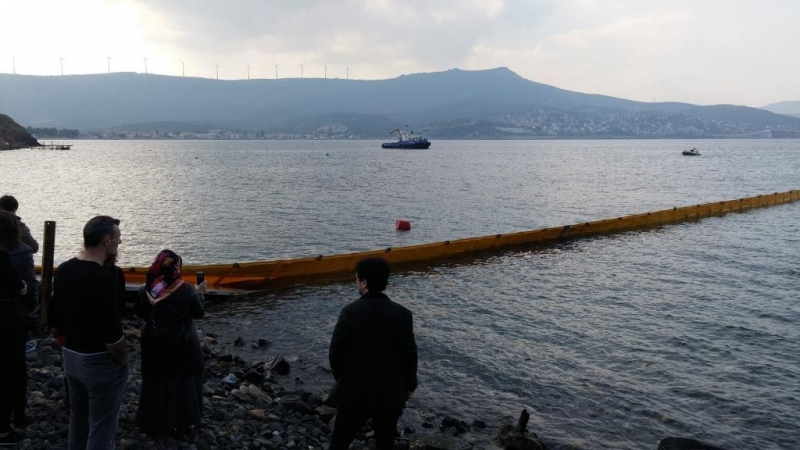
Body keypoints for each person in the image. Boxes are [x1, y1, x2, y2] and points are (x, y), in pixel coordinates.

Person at [50, 216, 128, 450]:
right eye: (118, 240)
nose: (119, 244)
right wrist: (123, 359)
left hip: (71, 355)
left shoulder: (64, 269)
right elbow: (111, 329)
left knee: (79, 421)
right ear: (106, 241)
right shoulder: (103, 278)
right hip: (98, 360)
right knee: (101, 430)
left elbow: (55, 317)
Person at [328, 257, 418, 450]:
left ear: (364, 282)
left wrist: (342, 379)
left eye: (357, 279)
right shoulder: (403, 314)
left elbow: (335, 352)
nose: (356, 283)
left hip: (354, 392)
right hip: (390, 393)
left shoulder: (351, 312)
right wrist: (410, 385)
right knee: (385, 443)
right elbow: (410, 355)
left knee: (339, 442)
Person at [135, 249, 206, 440]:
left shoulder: (145, 289)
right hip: (182, 345)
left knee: (156, 380)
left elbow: (141, 313)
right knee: (185, 381)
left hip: (154, 344)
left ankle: (153, 422)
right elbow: (198, 313)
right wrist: (200, 294)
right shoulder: (186, 289)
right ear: (176, 267)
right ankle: (186, 424)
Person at [0, 212, 28, 446]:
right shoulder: (4, 257)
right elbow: (17, 285)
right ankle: (4, 428)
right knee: (9, 372)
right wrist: (24, 288)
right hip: (6, 320)